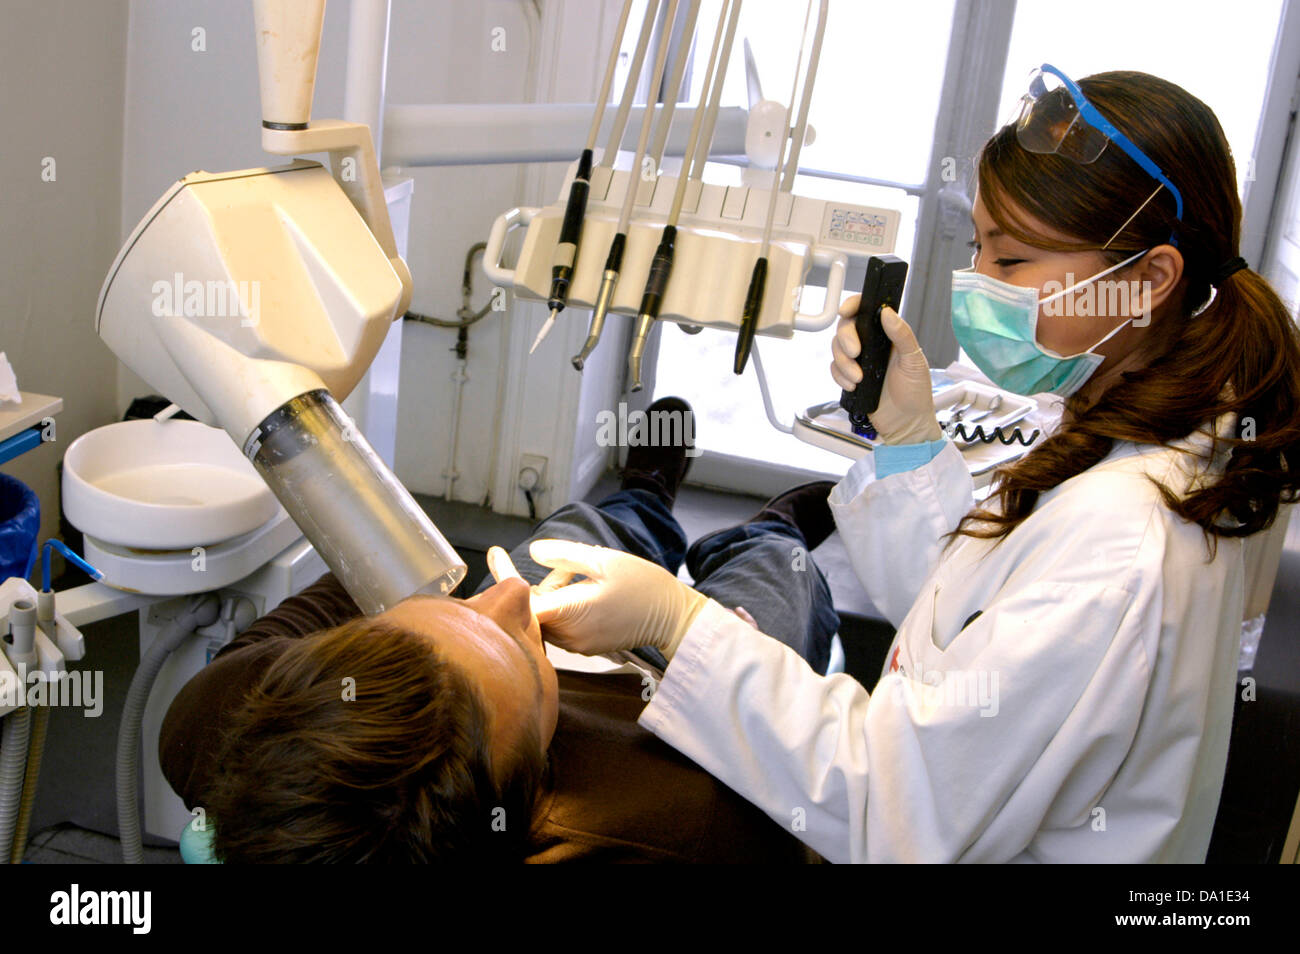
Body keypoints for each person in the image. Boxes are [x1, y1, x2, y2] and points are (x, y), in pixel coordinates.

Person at [528, 68, 1300, 863]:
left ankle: (689, 512)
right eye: (977, 248)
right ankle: (712, 520)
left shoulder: (1123, 543)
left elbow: (894, 807)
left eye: (1012, 261)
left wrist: (677, 624)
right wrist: (904, 436)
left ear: (1148, 280)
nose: (975, 285)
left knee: (733, 555)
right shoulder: (1125, 431)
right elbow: (964, 624)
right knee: (757, 557)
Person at [159, 396, 837, 863]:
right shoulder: (687, 827)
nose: (510, 596)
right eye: (518, 647)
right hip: (689, 723)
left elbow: (350, 585)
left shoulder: (216, 721)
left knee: (580, 535)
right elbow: (818, 807)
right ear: (530, 795)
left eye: (452, 612)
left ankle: (644, 498)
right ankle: (772, 531)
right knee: (776, 583)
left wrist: (415, 588)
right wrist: (694, 631)